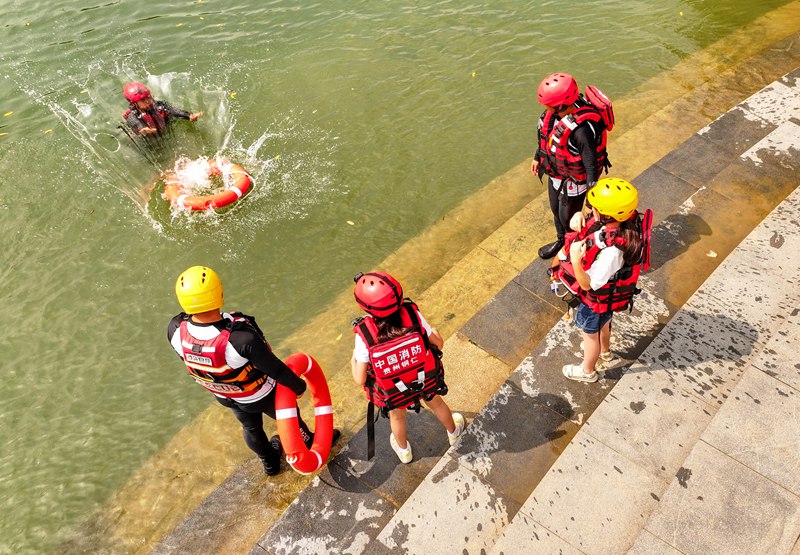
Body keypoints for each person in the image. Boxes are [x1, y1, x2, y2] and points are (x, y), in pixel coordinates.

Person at [167, 265, 339, 476]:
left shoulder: (175, 329)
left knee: (251, 428)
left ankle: (270, 463)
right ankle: (313, 441)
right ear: (218, 293)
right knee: (289, 416)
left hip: (225, 394)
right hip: (260, 394)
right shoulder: (240, 338)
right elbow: (275, 368)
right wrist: (299, 386)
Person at [350, 271, 465, 463]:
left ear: (366, 308)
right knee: (436, 403)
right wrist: (435, 332)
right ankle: (454, 432)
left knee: (397, 417)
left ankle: (404, 451)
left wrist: (353, 360)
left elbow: (360, 379)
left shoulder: (364, 334)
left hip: (394, 390)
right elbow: (438, 343)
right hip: (424, 378)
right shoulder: (412, 314)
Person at [550, 179, 645, 383]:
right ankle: (605, 352)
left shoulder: (613, 252)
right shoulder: (626, 224)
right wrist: (579, 216)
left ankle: (587, 371)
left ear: (608, 214)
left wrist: (575, 259)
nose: (591, 211)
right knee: (605, 323)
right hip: (607, 300)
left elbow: (588, 284)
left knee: (589, 334)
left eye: (594, 209)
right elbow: (593, 224)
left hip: (596, 301)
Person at [532, 72, 612, 260]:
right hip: (557, 173)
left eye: (549, 106)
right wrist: (537, 157)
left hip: (575, 181)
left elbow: (591, 165)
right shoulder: (556, 114)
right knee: (556, 211)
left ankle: (573, 250)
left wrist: (591, 201)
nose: (545, 109)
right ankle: (562, 240)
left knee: (569, 219)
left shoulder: (581, 131)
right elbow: (547, 139)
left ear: (560, 105)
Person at [122, 81, 203, 136]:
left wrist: (188, 116)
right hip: (149, 138)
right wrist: (143, 128)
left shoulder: (158, 105)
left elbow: (174, 110)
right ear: (134, 103)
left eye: (148, 97)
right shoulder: (132, 115)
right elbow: (135, 122)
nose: (148, 101)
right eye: (143, 100)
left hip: (165, 130)